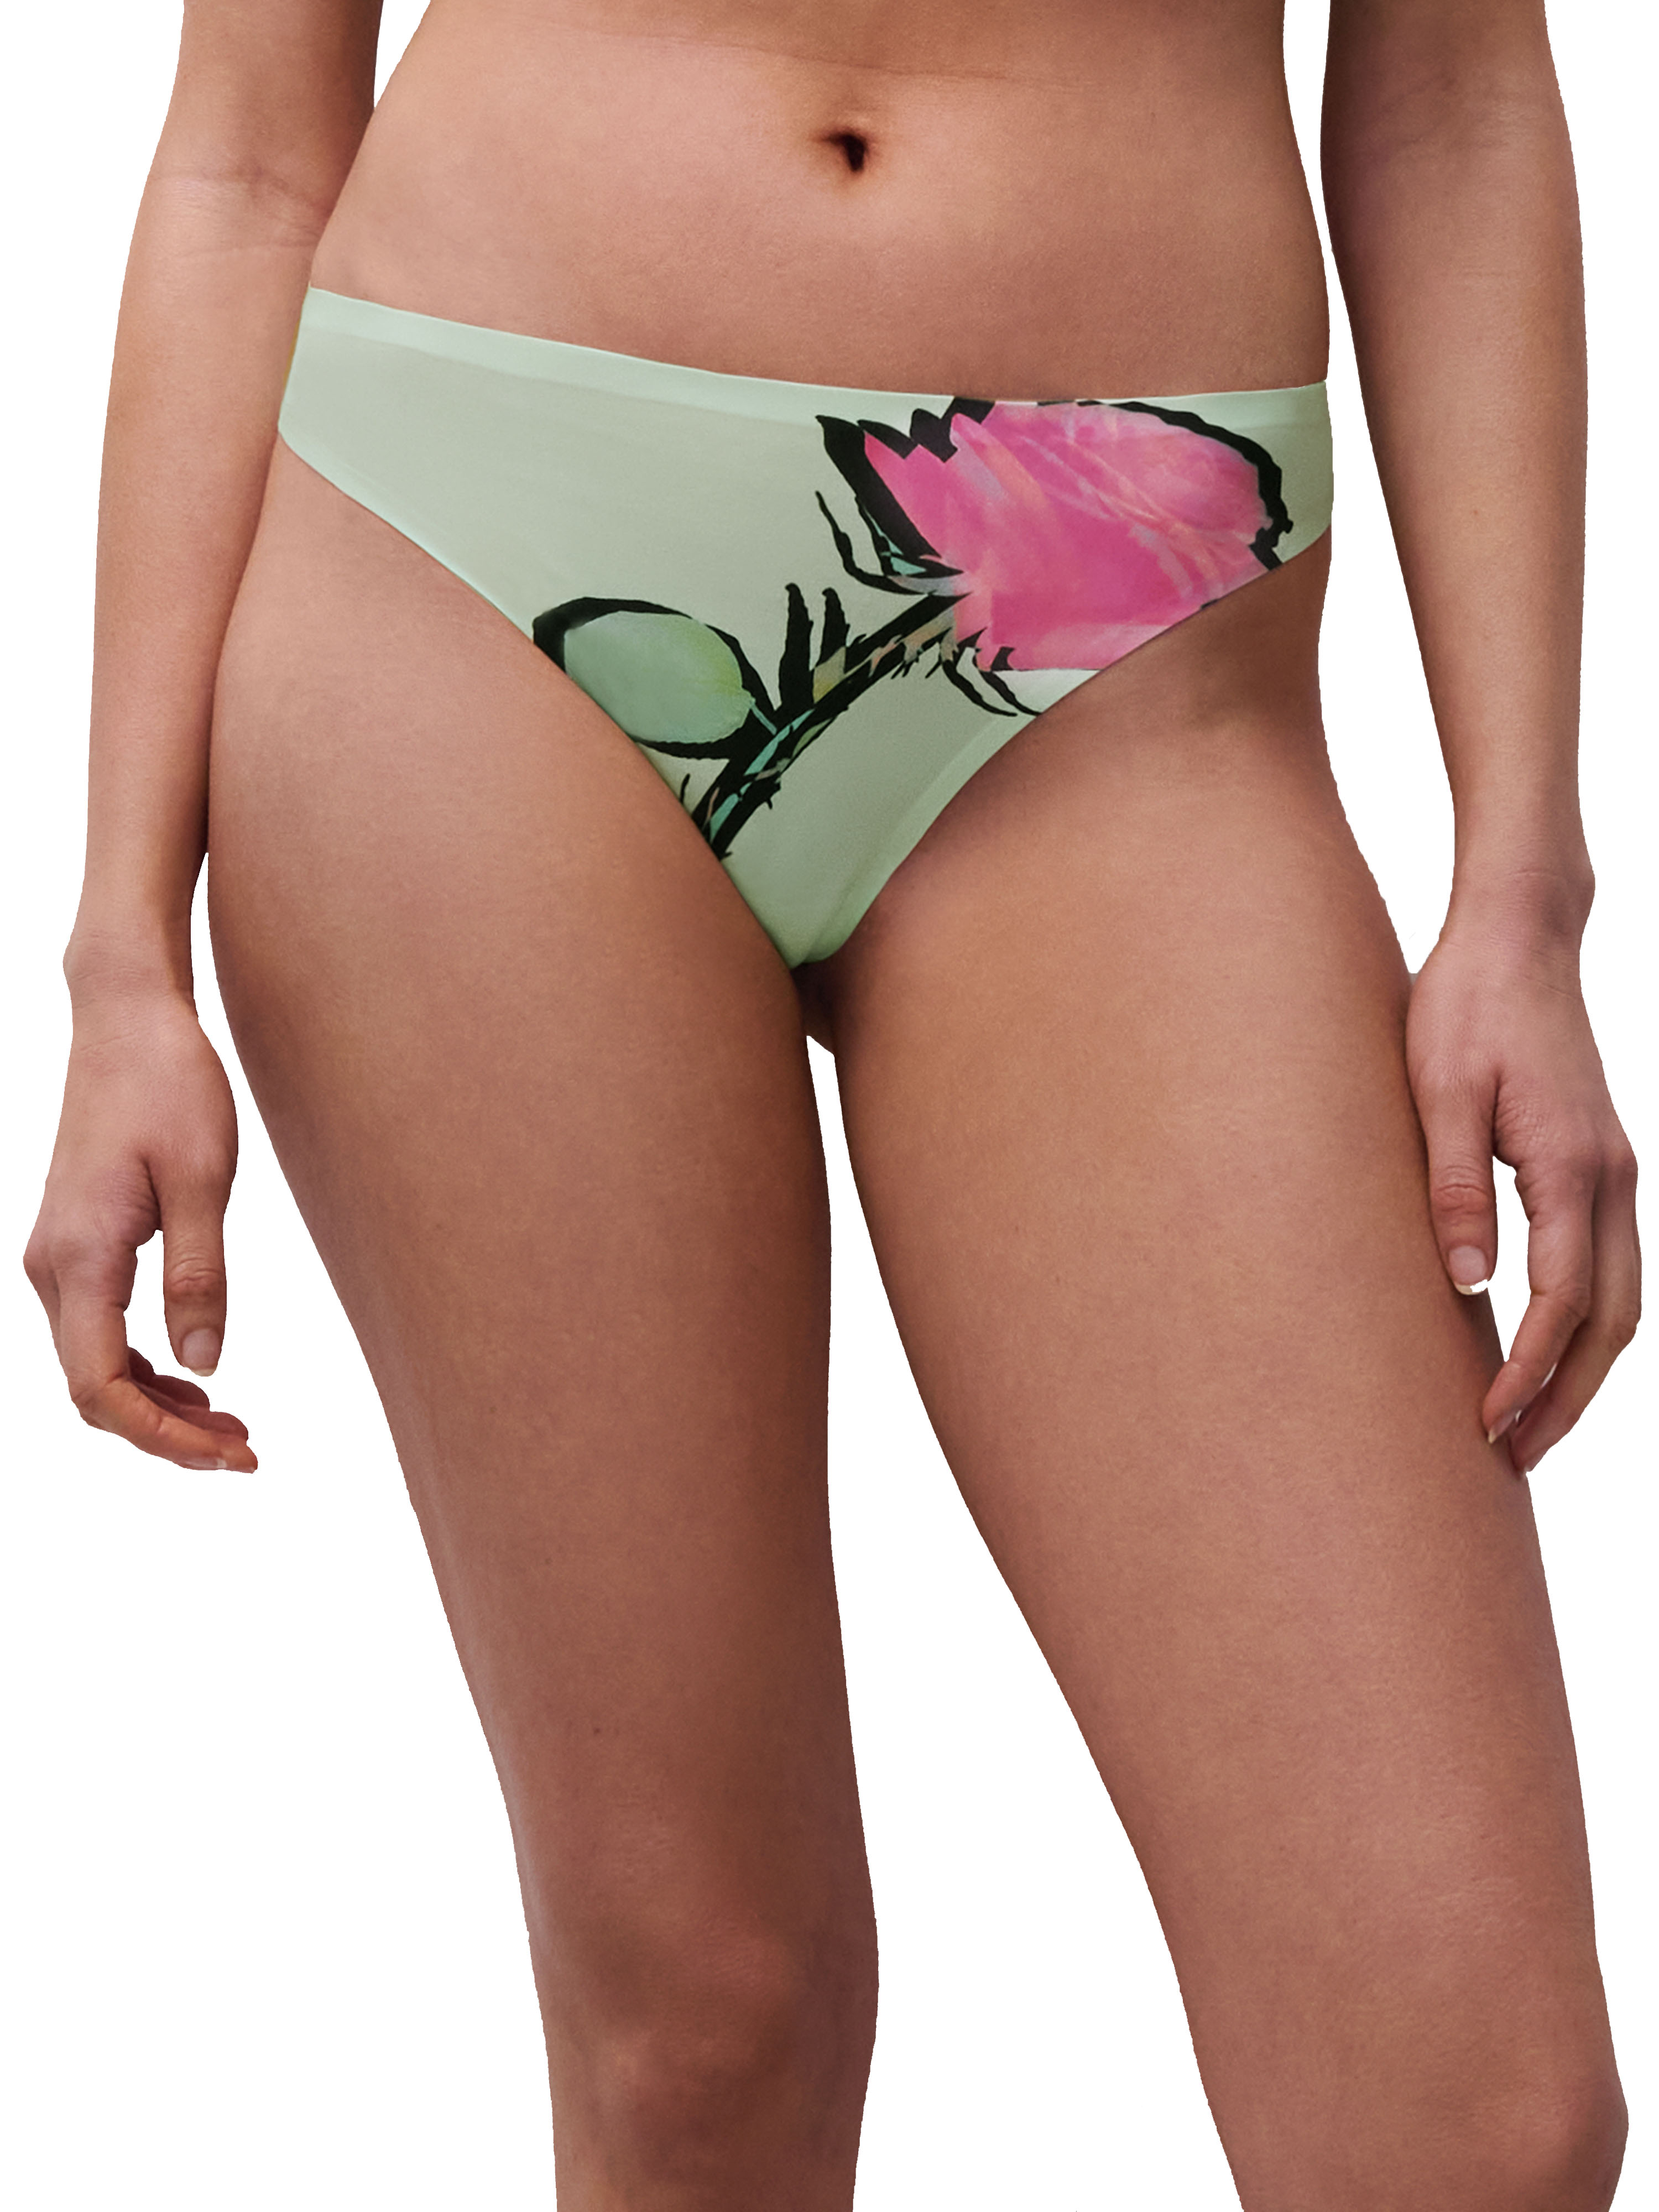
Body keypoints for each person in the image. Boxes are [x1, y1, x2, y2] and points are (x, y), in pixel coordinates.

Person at [22, 0, 1638, 2203]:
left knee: (1478, 2125)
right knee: (709, 2026)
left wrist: (1520, 883)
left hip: (1138, 629)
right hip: (467, 530)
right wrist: (121, 945)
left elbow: (1450, 98)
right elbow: (245, 150)